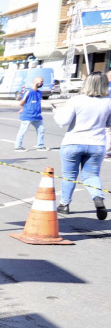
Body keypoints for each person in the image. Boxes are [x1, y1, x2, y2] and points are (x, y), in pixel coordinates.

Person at [52, 71, 110, 220]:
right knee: (91, 175)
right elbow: (109, 124)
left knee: (69, 176)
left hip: (73, 143)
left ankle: (64, 205)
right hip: (97, 144)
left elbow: (63, 121)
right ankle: (98, 198)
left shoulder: (76, 100)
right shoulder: (108, 101)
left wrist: (56, 112)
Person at [15, 76, 47, 152]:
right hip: (28, 115)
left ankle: (40, 146)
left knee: (41, 129)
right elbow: (22, 102)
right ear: (34, 82)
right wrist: (25, 108)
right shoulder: (29, 92)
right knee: (23, 131)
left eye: (42, 82)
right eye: (40, 81)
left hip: (37, 115)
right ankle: (18, 146)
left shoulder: (39, 93)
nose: (41, 83)